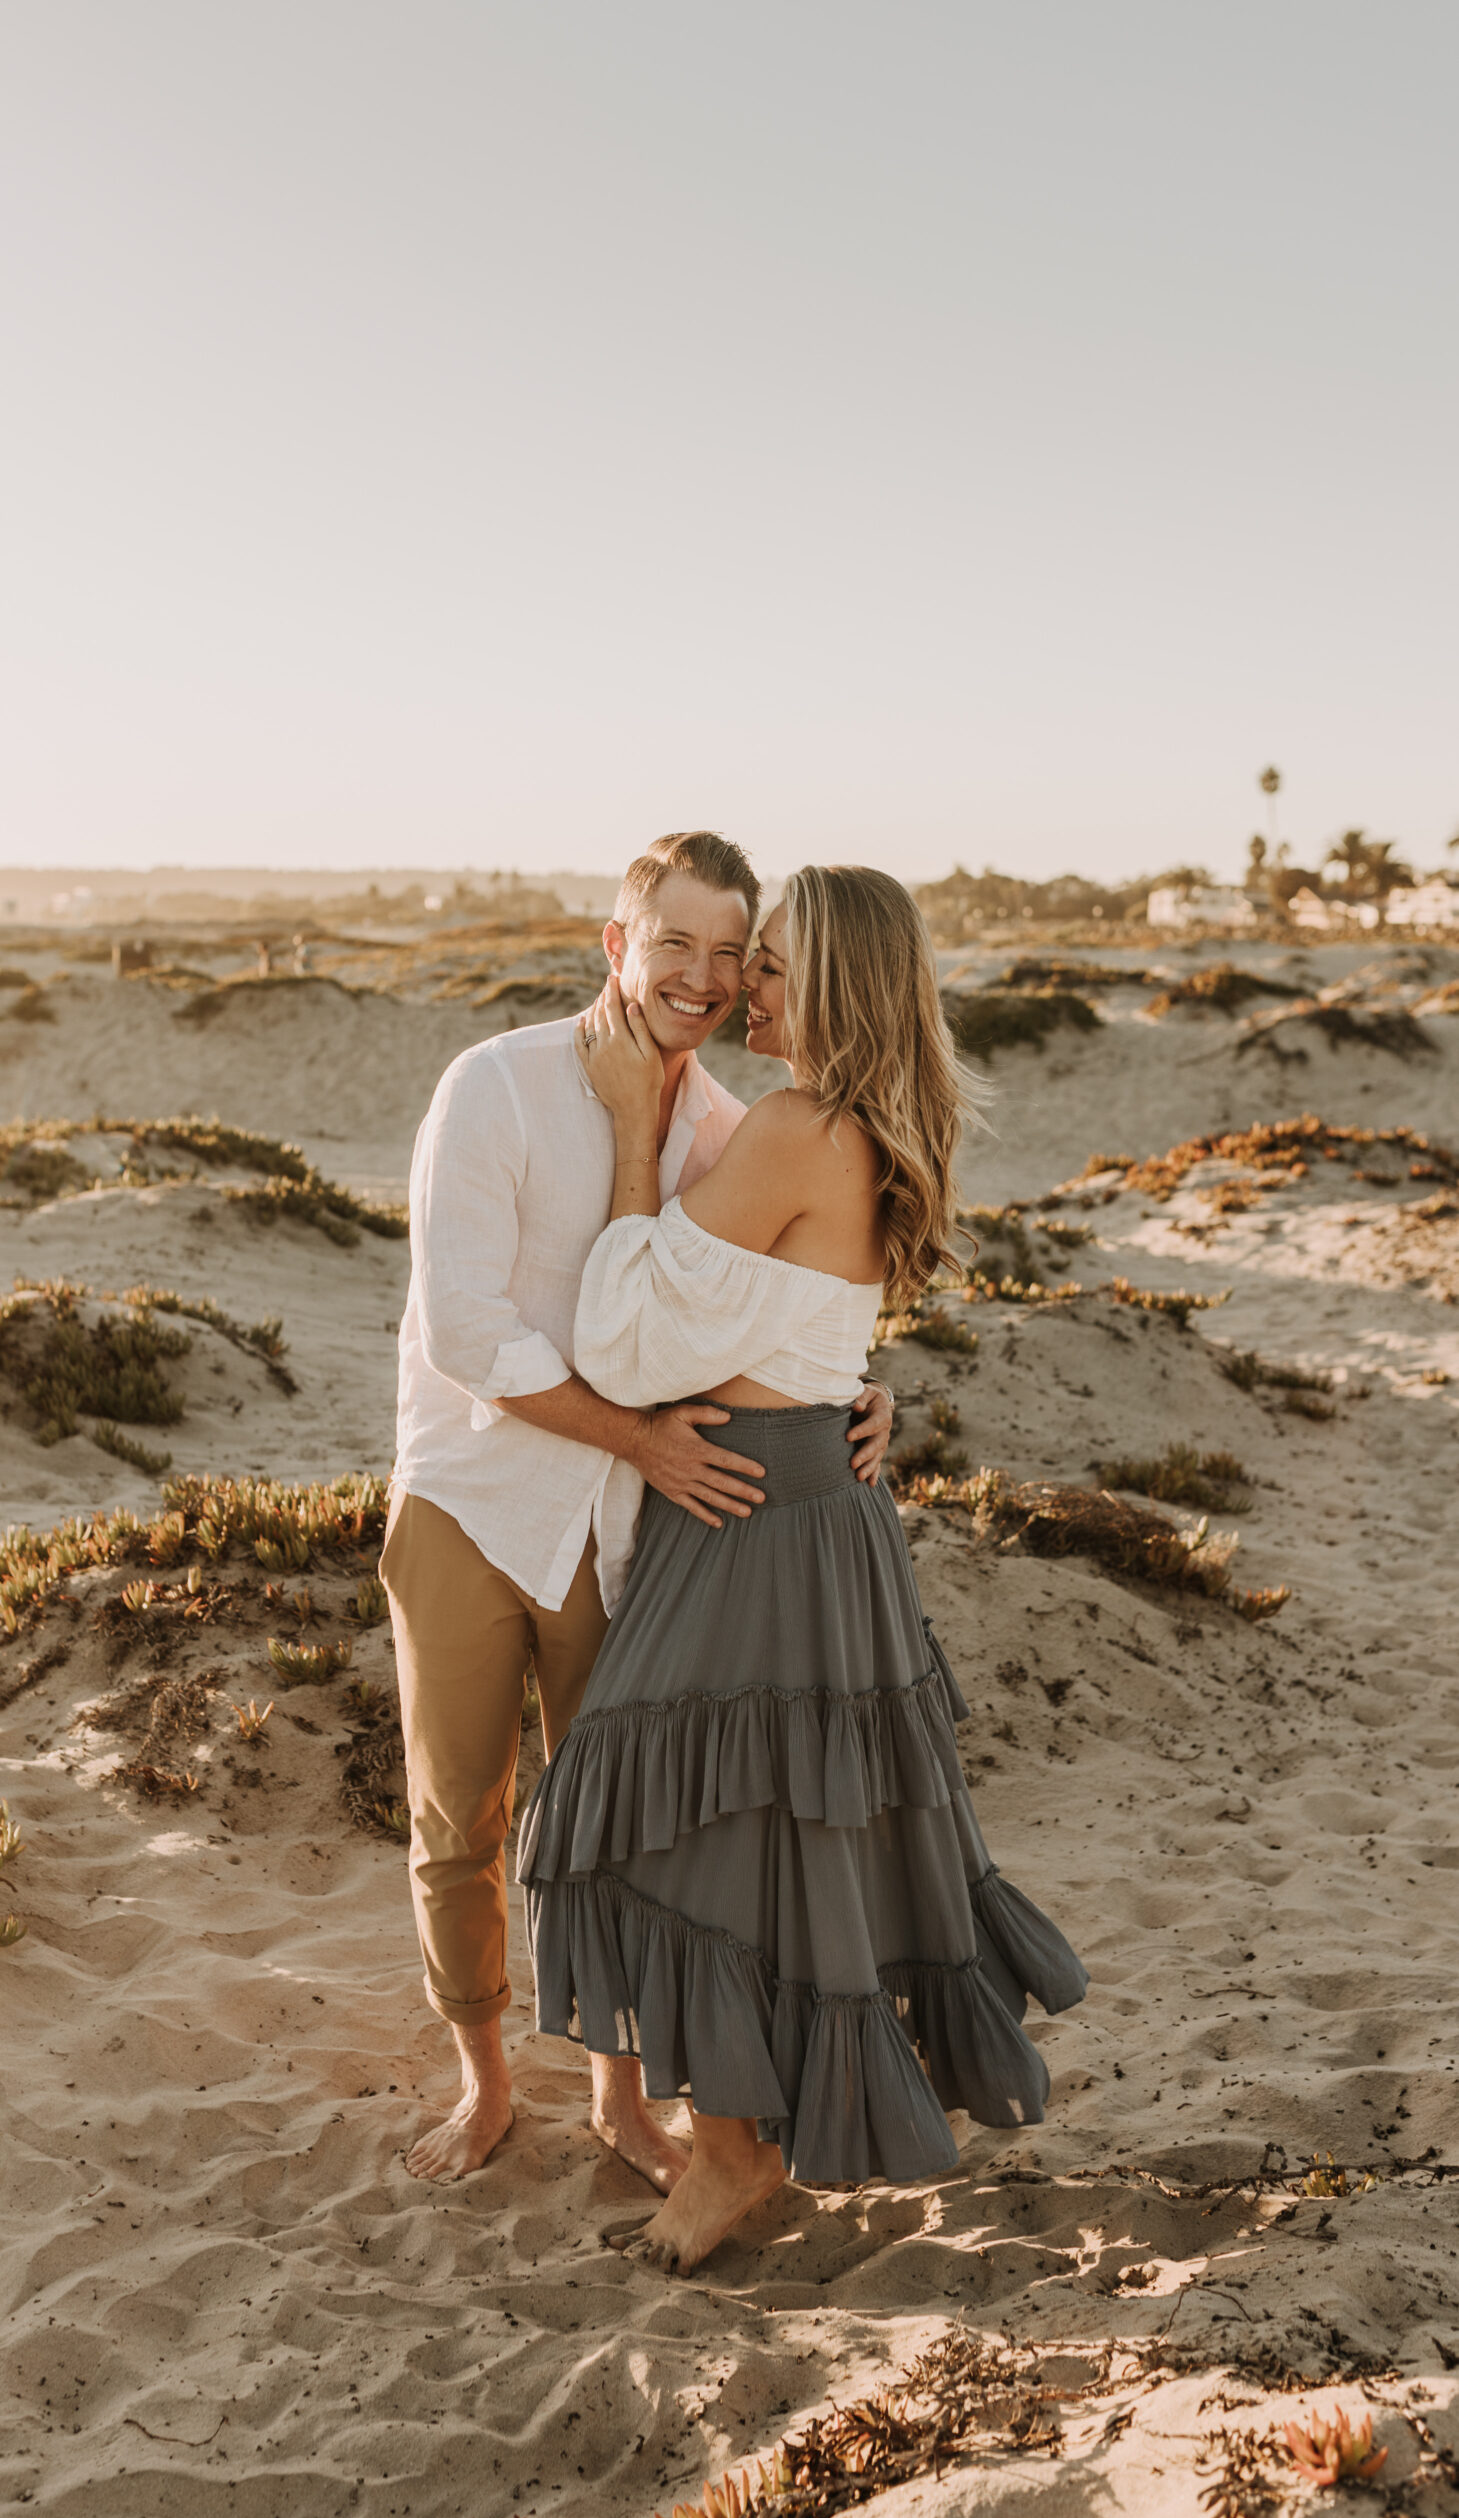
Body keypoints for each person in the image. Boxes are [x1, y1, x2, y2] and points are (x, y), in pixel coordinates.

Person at [518, 867, 1088, 2273]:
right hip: (810, 1501)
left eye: (768, 967)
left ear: (829, 983)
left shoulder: (791, 1125)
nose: (740, 989)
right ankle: (739, 2140)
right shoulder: (882, 1128)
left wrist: (638, 1140)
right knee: (777, 1831)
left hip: (756, 1517)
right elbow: (806, 1324)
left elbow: (626, 1341)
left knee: (686, 1822)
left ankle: (733, 2153)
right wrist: (860, 1394)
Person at [383, 833, 896, 2183]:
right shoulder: (492, 1086)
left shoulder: (728, 1128)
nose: (703, 976)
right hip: (474, 1505)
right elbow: (463, 1331)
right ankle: (485, 2083)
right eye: (674, 942)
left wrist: (863, 1398)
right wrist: (637, 1436)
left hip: (634, 1532)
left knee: (620, 1827)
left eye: (731, 953)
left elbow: (777, 1295)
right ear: (616, 944)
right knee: (462, 1816)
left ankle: (619, 2101)